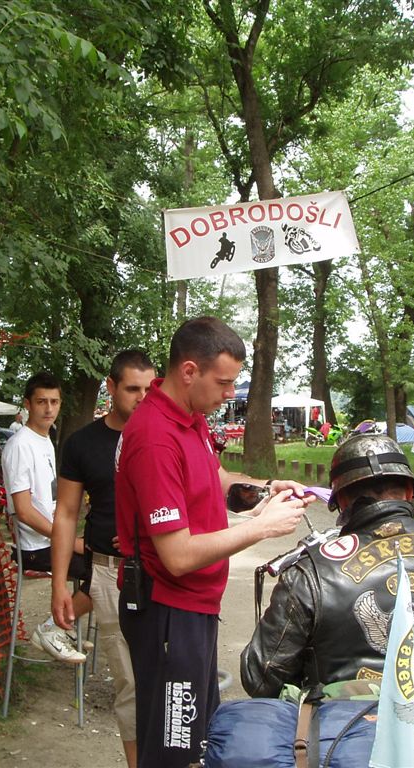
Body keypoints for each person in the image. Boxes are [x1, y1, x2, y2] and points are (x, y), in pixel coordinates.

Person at [115, 316, 313, 768]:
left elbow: (217, 478)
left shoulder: (190, 418)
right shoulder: (155, 438)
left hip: (194, 607)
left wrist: (265, 490)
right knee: (173, 749)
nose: (230, 393)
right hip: (168, 610)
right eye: (223, 382)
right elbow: (177, 555)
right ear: (189, 371)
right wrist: (262, 528)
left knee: (199, 738)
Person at [240, 434, 414, 701]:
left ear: (342, 501)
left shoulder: (311, 572)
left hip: (346, 724)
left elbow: (260, 678)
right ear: (410, 492)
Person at [50, 351, 156, 768]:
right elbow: (66, 514)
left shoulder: (166, 434)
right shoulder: (83, 444)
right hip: (110, 575)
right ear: (111, 387)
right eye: (132, 389)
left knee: (175, 681)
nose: (142, 398)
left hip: (169, 572)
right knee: (132, 686)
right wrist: (59, 584)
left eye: (149, 389)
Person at [1, 371, 92, 664]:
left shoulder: (45, 439)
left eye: (54, 402)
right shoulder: (20, 445)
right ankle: (52, 629)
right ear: (28, 404)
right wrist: (69, 540)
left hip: (52, 540)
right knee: (105, 574)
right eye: (41, 402)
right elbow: (24, 510)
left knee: (110, 560)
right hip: (36, 548)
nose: (49, 408)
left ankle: (63, 626)